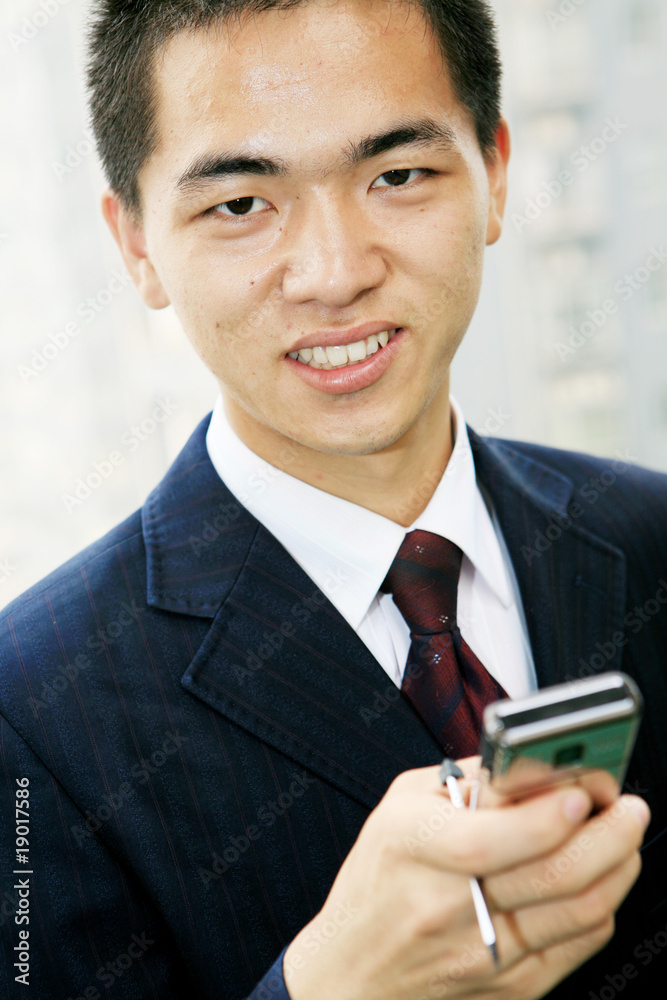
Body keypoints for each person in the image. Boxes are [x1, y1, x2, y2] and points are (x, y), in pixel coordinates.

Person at [1, 1, 665, 998]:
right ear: (135, 243)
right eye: (239, 205)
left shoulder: (652, 536)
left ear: (494, 173)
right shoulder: (30, 710)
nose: (335, 273)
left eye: (397, 175)